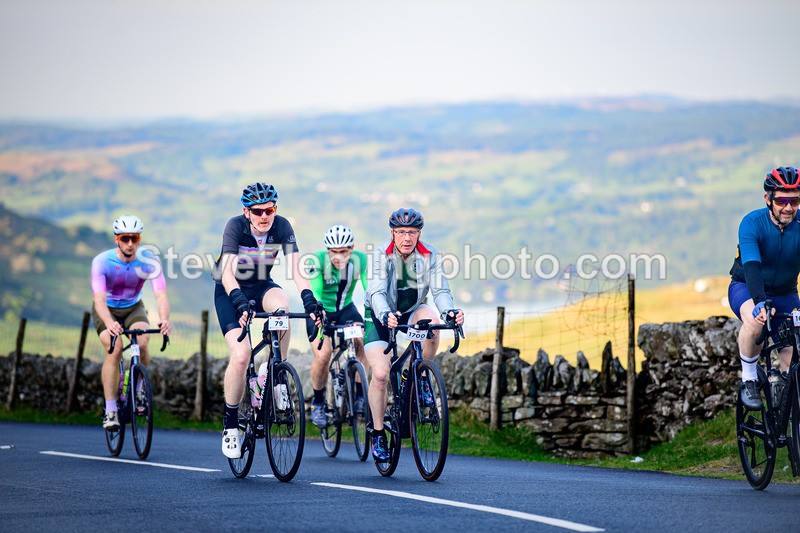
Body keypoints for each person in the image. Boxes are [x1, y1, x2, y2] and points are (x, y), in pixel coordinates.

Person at [213, 182, 322, 459]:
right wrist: (238, 301)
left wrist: (309, 300)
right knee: (241, 355)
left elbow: (296, 268)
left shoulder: (282, 226)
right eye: (257, 211)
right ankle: (230, 424)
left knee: (282, 309)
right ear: (246, 212)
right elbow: (227, 273)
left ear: (276, 209)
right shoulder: (235, 226)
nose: (264, 216)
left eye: (269, 210)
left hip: (261, 285)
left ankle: (276, 376)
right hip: (230, 291)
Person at [363, 207, 464, 461]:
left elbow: (441, 291)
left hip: (411, 311)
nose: (406, 238)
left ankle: (418, 375)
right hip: (379, 314)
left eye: (412, 232)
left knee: (432, 323)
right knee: (381, 374)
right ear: (392, 233)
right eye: (401, 232)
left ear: (419, 233)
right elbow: (376, 293)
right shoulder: (380, 255)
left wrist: (450, 312)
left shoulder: (430, 255)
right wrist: (385, 315)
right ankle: (378, 433)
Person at [729, 166, 800, 410]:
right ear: (768, 199)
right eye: (781, 201)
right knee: (755, 320)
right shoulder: (752, 223)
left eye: (794, 201)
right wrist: (759, 302)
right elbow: (751, 266)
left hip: (786, 294)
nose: (788, 208)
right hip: (746, 287)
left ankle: (788, 402)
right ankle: (749, 379)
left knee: (794, 354)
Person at [91, 215, 171, 430]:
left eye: (134, 239)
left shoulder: (149, 260)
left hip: (134, 307)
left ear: (139, 239)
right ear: (116, 239)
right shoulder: (102, 261)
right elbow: (99, 300)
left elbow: (161, 295)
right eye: (125, 238)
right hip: (106, 309)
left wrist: (164, 319)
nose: (130, 244)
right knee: (115, 348)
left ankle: (138, 390)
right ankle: (110, 411)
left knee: (142, 342)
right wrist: (109, 323)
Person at [305, 224, 369, 427]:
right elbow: (315, 290)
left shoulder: (361, 260)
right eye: (334, 252)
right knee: (324, 355)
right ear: (327, 250)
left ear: (352, 249)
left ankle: (360, 396)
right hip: (320, 310)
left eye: (344, 252)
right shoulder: (317, 260)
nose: (338, 257)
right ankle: (318, 402)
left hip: (345, 309)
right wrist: (319, 312)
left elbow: (369, 290)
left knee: (364, 340)